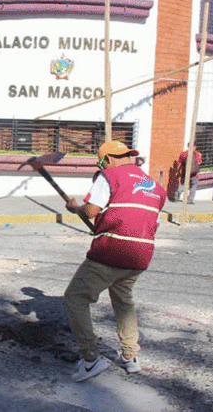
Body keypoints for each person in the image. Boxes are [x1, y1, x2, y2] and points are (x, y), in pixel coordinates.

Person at [63, 140, 166, 382]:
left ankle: (90, 360)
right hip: (141, 253)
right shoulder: (155, 187)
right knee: (123, 300)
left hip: (113, 249)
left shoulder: (108, 176)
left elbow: (91, 211)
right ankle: (130, 357)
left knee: (75, 298)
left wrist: (75, 208)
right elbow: (153, 223)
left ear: (106, 160)